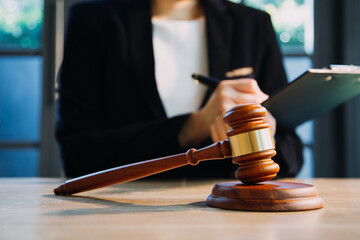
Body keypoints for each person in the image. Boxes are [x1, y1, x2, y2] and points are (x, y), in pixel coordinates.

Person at [56, 0, 304, 178]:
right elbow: (78, 157)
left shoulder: (252, 24)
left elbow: (292, 152)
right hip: (119, 213)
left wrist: (262, 137)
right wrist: (195, 125)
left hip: (232, 215)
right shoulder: (92, 21)